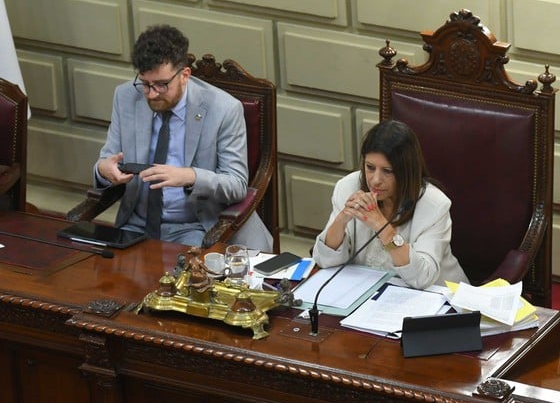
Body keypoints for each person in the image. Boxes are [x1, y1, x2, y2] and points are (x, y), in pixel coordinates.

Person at [92, 24, 272, 251]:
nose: (152, 94)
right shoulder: (126, 96)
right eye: (145, 84)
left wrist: (189, 176)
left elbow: (236, 184)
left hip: (194, 226)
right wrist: (104, 170)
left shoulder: (224, 109)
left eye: (161, 85)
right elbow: (108, 159)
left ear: (185, 75)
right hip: (136, 225)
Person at [313, 119, 468, 289]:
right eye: (370, 167)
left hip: (438, 299)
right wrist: (341, 220)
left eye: (387, 171)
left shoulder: (435, 206)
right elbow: (325, 261)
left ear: (406, 171)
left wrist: (382, 226)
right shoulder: (348, 186)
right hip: (372, 295)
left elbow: (422, 278)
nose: (375, 180)